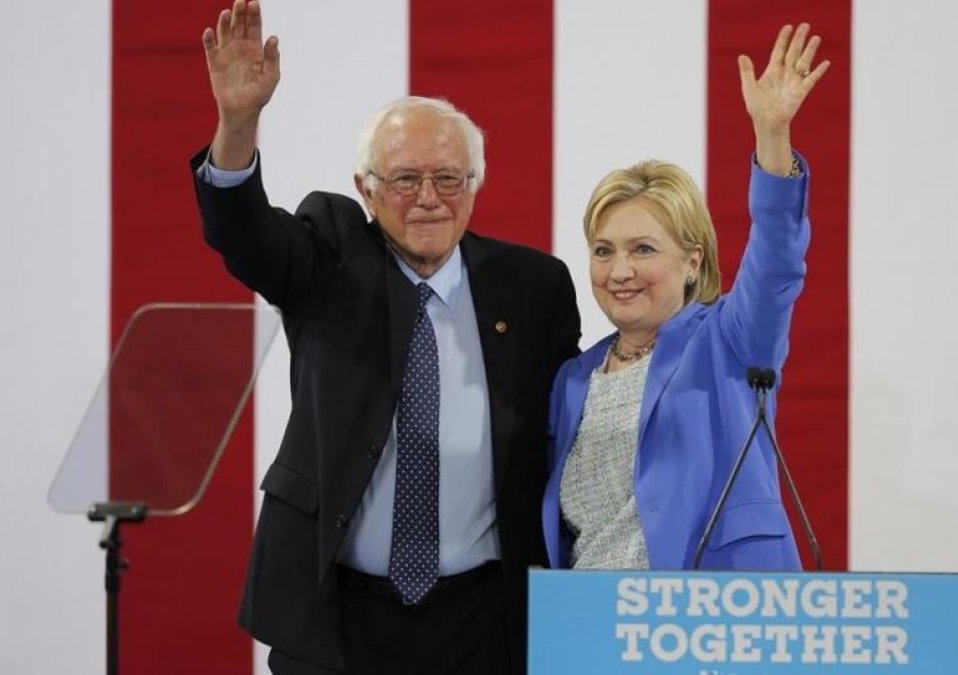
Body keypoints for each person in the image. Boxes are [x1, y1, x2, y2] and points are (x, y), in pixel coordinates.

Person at [191, 1, 580, 673]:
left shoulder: (535, 286)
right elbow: (242, 232)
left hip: (487, 616)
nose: (429, 196)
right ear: (365, 190)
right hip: (339, 615)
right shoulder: (330, 256)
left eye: (448, 178)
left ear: (475, 185)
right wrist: (238, 123)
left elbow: (564, 429)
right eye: (405, 178)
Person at [542, 23, 829, 572]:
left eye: (642, 249)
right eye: (603, 250)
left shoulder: (729, 341)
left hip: (712, 626)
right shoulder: (571, 380)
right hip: (590, 625)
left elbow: (776, 264)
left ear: (693, 260)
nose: (619, 270)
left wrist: (772, 137)